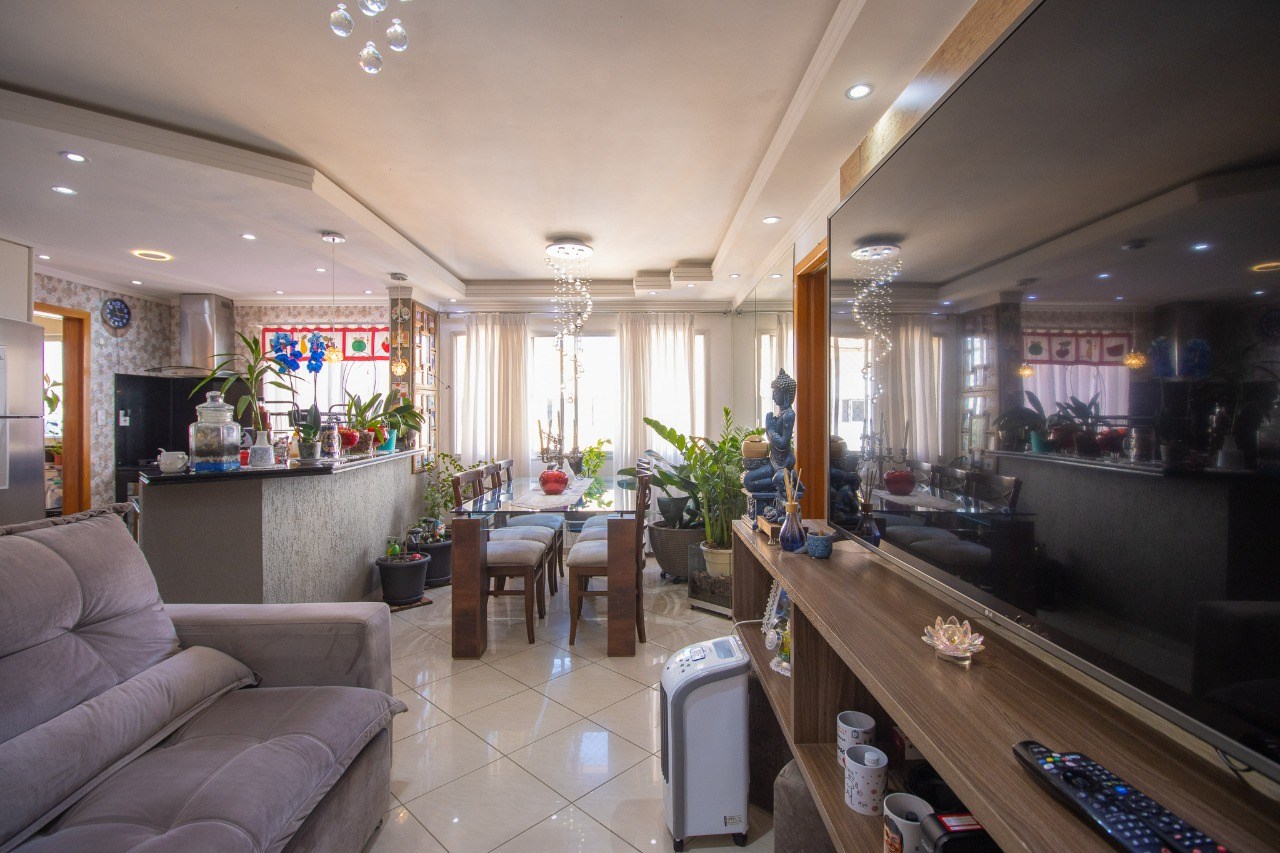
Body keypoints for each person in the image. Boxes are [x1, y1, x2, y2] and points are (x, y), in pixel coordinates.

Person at [744, 369, 804, 505]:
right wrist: (769, 430)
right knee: (747, 479)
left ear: (786, 394)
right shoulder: (780, 413)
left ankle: (785, 480)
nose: (773, 397)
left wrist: (770, 430)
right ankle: (785, 480)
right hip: (774, 460)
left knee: (749, 481)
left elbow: (783, 443)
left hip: (783, 462)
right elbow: (773, 441)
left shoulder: (789, 414)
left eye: (776, 393)